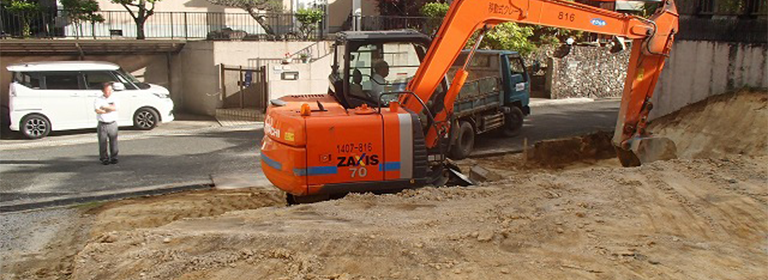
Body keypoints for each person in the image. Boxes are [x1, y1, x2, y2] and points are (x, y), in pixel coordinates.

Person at [94, 82, 119, 165]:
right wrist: (107, 110)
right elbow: (97, 110)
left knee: (114, 141)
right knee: (102, 142)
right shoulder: (98, 99)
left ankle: (114, 157)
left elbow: (115, 108)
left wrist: (104, 107)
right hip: (102, 124)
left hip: (112, 123)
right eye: (107, 90)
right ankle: (104, 158)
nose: (109, 92)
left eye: (111, 90)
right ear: (103, 91)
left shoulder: (115, 98)